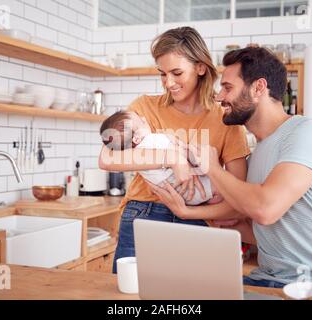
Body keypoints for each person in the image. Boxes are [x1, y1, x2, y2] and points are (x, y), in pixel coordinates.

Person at [150, 47, 312, 291]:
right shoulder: (259, 150)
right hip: (269, 279)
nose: (219, 97)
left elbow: (265, 209)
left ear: (258, 88)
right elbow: (273, 231)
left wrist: (213, 169)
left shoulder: (307, 132)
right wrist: (226, 224)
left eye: (228, 87)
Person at [98, 27, 250, 274]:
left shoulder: (225, 117)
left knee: (195, 296)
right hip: (145, 211)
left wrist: (189, 212)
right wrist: (172, 157)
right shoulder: (145, 107)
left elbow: (240, 196)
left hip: (201, 217)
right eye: (162, 74)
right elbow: (106, 157)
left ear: (200, 67)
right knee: (130, 295)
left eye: (177, 73)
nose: (168, 83)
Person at [100, 110, 224, 205]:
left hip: (179, 196)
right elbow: (185, 153)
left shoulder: (133, 155)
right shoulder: (152, 140)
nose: (144, 118)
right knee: (222, 187)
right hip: (191, 189)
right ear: (136, 138)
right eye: (142, 122)